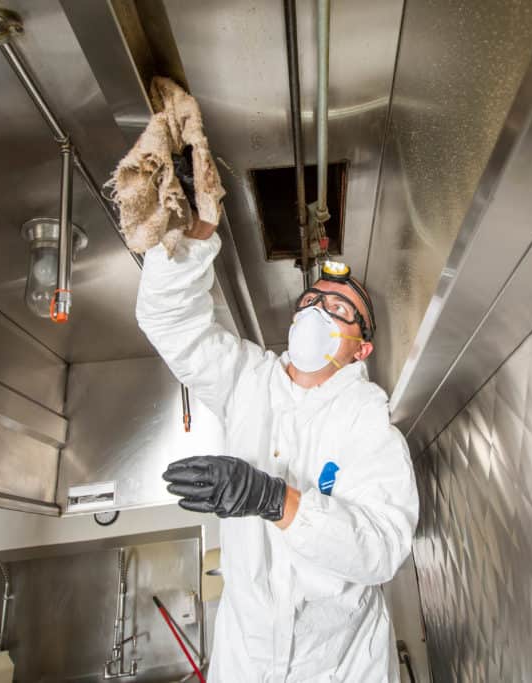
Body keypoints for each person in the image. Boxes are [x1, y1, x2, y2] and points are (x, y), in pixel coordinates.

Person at [136, 218, 419, 682]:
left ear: (361, 349)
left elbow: (382, 550)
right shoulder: (248, 381)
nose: (317, 312)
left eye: (338, 309)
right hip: (245, 659)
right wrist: (192, 233)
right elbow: (169, 322)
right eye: (311, 300)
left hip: (339, 664)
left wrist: (275, 500)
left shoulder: (370, 430)